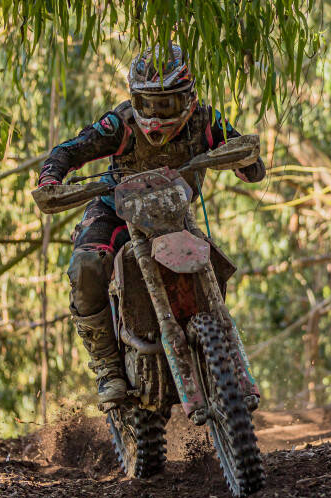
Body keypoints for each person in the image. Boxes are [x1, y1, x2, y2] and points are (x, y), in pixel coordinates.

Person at [37, 45, 266, 411]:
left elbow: (242, 151)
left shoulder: (204, 121)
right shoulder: (121, 124)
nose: (156, 115)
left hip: (173, 214)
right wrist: (51, 179)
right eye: (148, 104)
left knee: (214, 259)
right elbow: (69, 149)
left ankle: (221, 353)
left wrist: (247, 162)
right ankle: (107, 367)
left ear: (188, 98)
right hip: (116, 210)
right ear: (135, 99)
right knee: (86, 265)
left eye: (166, 104)